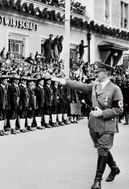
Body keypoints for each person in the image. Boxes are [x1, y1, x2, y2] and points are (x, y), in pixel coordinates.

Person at [51, 61, 123, 189]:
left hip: (107, 124)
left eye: (98, 72)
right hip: (94, 124)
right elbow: (81, 86)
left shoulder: (115, 89)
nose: (95, 74)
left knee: (102, 148)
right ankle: (114, 167)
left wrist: (102, 112)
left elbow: (119, 110)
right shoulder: (95, 86)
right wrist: (61, 80)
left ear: (105, 73)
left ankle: (97, 181)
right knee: (102, 148)